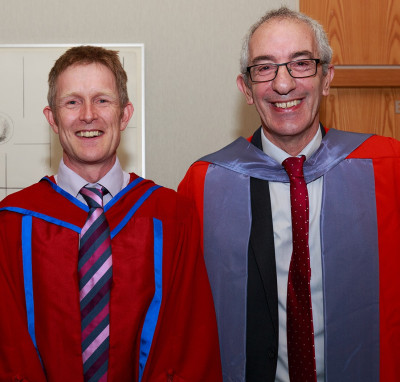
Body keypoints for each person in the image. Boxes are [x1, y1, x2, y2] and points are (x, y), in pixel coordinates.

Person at [178, 7, 400, 382]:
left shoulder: (387, 169)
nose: (283, 85)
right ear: (246, 88)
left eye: (301, 63)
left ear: (327, 78)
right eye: (264, 68)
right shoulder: (206, 184)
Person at [0, 46, 222, 382]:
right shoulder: (11, 223)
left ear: (125, 114)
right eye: (72, 102)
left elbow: (190, 344)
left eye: (103, 100)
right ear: (52, 118)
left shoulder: (172, 216)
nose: (88, 115)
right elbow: (9, 351)